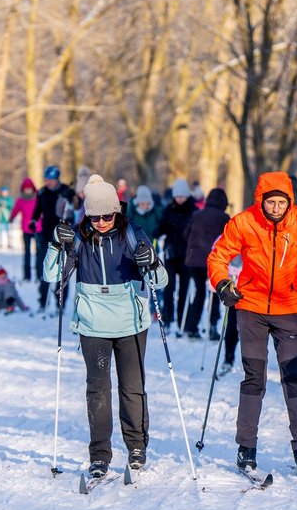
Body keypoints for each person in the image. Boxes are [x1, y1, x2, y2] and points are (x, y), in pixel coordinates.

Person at [207, 171, 297, 474]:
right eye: (270, 202)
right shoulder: (244, 222)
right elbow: (218, 256)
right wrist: (223, 284)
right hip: (251, 309)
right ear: (261, 200)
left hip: (289, 309)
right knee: (253, 378)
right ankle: (246, 448)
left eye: (280, 202)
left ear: (289, 201)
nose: (275, 208)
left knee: (293, 377)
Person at [44, 174, 168, 478]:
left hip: (130, 323)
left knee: (132, 389)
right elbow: (50, 275)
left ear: (117, 211)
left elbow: (160, 281)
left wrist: (151, 261)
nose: (101, 221)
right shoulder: (76, 237)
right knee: (97, 390)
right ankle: (100, 454)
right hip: (93, 323)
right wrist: (55, 243)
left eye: (107, 215)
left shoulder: (133, 234)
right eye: (95, 216)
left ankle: (136, 446)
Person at [183, 187, 230, 339]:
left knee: (198, 293)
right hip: (213, 261)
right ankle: (212, 327)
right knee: (215, 294)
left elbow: (186, 234)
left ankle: (191, 327)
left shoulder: (196, 214)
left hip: (194, 260)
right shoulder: (224, 218)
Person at [154, 178, 198, 335]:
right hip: (171, 254)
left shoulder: (193, 210)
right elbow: (160, 227)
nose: (180, 199)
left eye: (183, 196)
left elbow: (196, 232)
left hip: (187, 256)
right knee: (169, 288)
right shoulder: (168, 209)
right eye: (177, 196)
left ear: (187, 196)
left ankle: (182, 320)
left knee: (184, 290)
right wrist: (156, 233)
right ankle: (167, 319)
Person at [30, 165, 75, 313]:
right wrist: (33, 221)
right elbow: (37, 210)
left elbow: (76, 207)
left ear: (57, 179)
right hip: (46, 235)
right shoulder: (42, 192)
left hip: (63, 236)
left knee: (62, 271)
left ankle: (60, 304)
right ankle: (42, 302)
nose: (48, 182)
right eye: (46, 179)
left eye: (51, 180)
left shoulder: (66, 191)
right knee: (45, 269)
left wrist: (71, 198)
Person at [10, 178, 40, 281]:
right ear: (23, 189)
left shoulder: (37, 198)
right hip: (26, 229)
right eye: (26, 189)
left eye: (29, 189)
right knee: (27, 253)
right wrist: (11, 217)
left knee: (38, 253)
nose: (28, 191)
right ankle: (27, 276)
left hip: (37, 228)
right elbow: (15, 210)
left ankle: (39, 275)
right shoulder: (20, 200)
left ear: (33, 189)